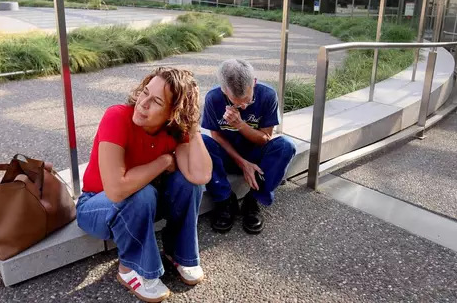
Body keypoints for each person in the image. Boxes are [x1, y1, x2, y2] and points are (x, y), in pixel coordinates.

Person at [76, 67, 212, 302]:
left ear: (173, 113)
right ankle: (130, 269)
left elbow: (200, 176)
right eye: (145, 92)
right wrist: (163, 161)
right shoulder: (117, 117)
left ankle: (179, 253)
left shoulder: (173, 131)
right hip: (97, 206)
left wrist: (191, 126)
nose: (143, 103)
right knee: (142, 193)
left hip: (142, 203)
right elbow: (116, 190)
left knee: (188, 184)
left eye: (157, 101)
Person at [201, 59, 297, 234]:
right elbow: (216, 136)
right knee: (201, 142)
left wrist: (241, 125)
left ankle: (253, 201)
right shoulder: (213, 98)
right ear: (224, 90)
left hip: (256, 152)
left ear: (254, 82)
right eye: (236, 102)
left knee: (286, 146)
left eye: (247, 100)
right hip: (228, 155)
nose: (243, 106)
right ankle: (224, 200)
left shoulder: (267, 95)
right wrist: (242, 163)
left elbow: (265, 138)